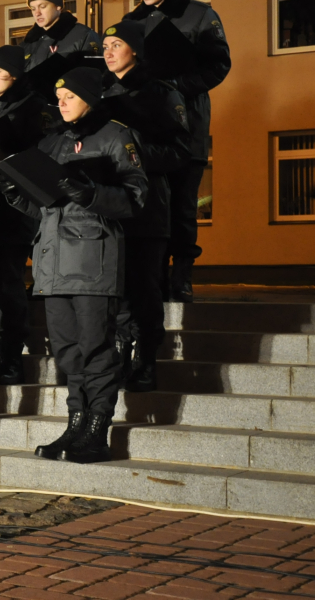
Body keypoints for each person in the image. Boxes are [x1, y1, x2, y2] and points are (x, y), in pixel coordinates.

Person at [3, 67, 146, 463]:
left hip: (92, 259)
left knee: (95, 348)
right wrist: (17, 193)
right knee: (67, 352)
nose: (61, 103)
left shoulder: (116, 136)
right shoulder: (53, 143)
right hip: (52, 262)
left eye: (68, 96)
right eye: (58, 97)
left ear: (89, 97)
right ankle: (75, 425)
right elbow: (43, 205)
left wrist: (91, 192)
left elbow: (136, 196)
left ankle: (98, 430)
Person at [127, 0, 230, 303]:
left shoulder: (199, 15)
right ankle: (153, 277)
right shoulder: (133, 22)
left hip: (188, 125)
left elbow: (218, 65)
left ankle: (181, 278)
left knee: (184, 206)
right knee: (152, 205)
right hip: (147, 126)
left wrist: (175, 88)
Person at [102, 21, 190, 392]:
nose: (107, 51)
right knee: (116, 288)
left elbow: (180, 152)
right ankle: (121, 355)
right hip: (110, 206)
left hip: (148, 207)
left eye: (116, 44)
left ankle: (146, 360)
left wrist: (132, 155)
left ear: (134, 50)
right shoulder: (100, 93)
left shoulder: (160, 94)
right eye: (104, 45)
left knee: (144, 287)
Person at [0, 45, 50, 385]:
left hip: (17, 209)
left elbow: (36, 160)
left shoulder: (34, 108)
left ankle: (13, 356)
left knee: (8, 284)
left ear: (15, 75)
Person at [20, 0, 100, 70]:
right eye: (33, 9)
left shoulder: (84, 35)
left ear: (58, 6)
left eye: (42, 7)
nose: (37, 13)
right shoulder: (27, 43)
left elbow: (93, 75)